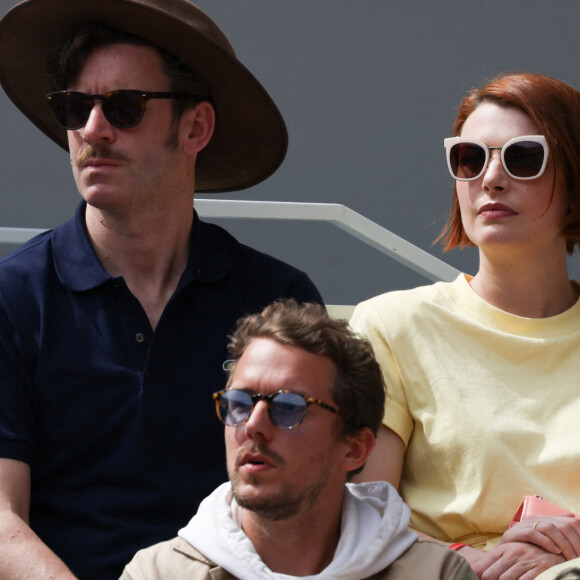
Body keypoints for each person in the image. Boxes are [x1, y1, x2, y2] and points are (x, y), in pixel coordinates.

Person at [0, 1, 323, 579]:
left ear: (195, 127)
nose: (92, 130)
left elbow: (308, 501)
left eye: (125, 108)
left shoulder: (277, 298)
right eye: (75, 107)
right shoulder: (13, 296)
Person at [350, 72, 580, 579]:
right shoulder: (393, 324)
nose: (491, 179)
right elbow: (362, 513)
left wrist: (563, 551)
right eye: (470, 159)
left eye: (523, 157)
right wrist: (474, 562)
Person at [120, 299, 476, 580]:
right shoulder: (158, 573)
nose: (253, 426)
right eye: (239, 404)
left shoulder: (436, 574)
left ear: (354, 449)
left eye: (289, 407)